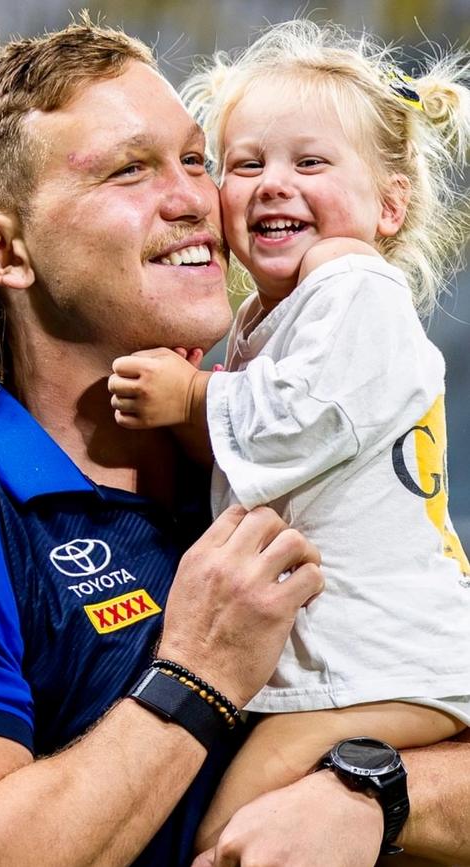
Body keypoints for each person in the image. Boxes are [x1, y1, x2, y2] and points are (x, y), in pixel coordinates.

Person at [0, 15, 468, 867]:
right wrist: (195, 676)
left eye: (198, 160)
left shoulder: (296, 452)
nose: (197, 198)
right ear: (5, 249)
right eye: (132, 170)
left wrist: (372, 794)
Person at [107, 18, 470, 859]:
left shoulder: (354, 287)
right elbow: (258, 464)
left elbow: (299, 421)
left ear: (389, 202)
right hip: (367, 655)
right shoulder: (269, 317)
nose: (274, 184)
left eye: (310, 163)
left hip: (379, 657)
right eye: (245, 164)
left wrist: (194, 395)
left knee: (230, 832)